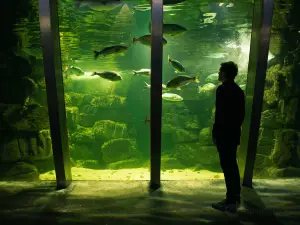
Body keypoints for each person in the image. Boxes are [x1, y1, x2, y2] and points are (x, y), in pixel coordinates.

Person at [211, 61, 245, 213]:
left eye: (220, 71)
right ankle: (235, 196)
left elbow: (220, 115)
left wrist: (216, 132)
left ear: (225, 73)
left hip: (224, 134)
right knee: (232, 164)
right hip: (233, 133)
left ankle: (230, 202)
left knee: (227, 166)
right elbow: (240, 115)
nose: (218, 73)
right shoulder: (238, 91)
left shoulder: (222, 90)